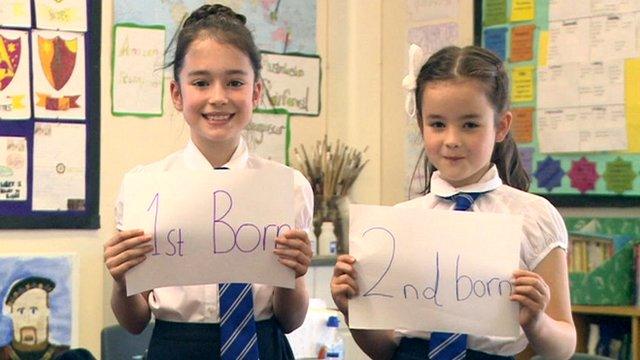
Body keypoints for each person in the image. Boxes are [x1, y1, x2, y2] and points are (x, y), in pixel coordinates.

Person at [330, 45, 576, 359]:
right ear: (421, 125)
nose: (452, 139)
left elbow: (564, 347)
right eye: (437, 124)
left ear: (501, 126)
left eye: (470, 124)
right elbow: (385, 351)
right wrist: (353, 309)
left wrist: (537, 321)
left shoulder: (533, 217)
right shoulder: (400, 223)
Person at [103, 4, 313, 359]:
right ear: (176, 93)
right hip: (176, 347)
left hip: (263, 346)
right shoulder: (145, 187)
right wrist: (120, 279)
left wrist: (296, 272)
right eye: (201, 82)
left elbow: (290, 319)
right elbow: (134, 322)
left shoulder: (288, 186)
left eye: (234, 82)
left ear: (256, 93)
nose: (218, 97)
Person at [1, 276, 70, 360]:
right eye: (21, 311)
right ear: (12, 315)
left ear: (47, 313)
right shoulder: (3, 355)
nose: (27, 319)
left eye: (34, 310)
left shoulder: (65, 355)